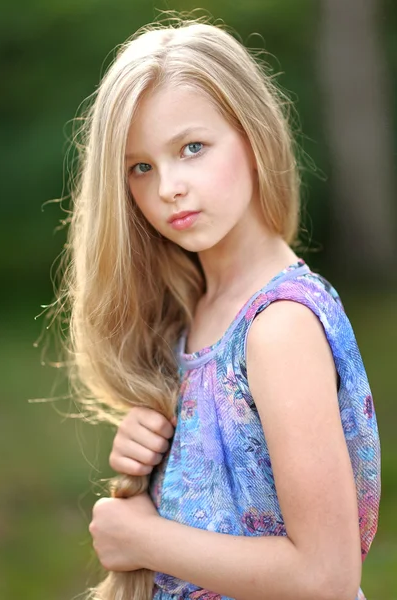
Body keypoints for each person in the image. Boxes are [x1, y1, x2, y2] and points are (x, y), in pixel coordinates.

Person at [55, 15, 380, 600]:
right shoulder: (195, 313)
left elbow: (327, 578)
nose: (168, 187)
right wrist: (153, 455)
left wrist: (145, 540)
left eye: (193, 148)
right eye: (141, 167)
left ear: (254, 138)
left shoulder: (279, 326)